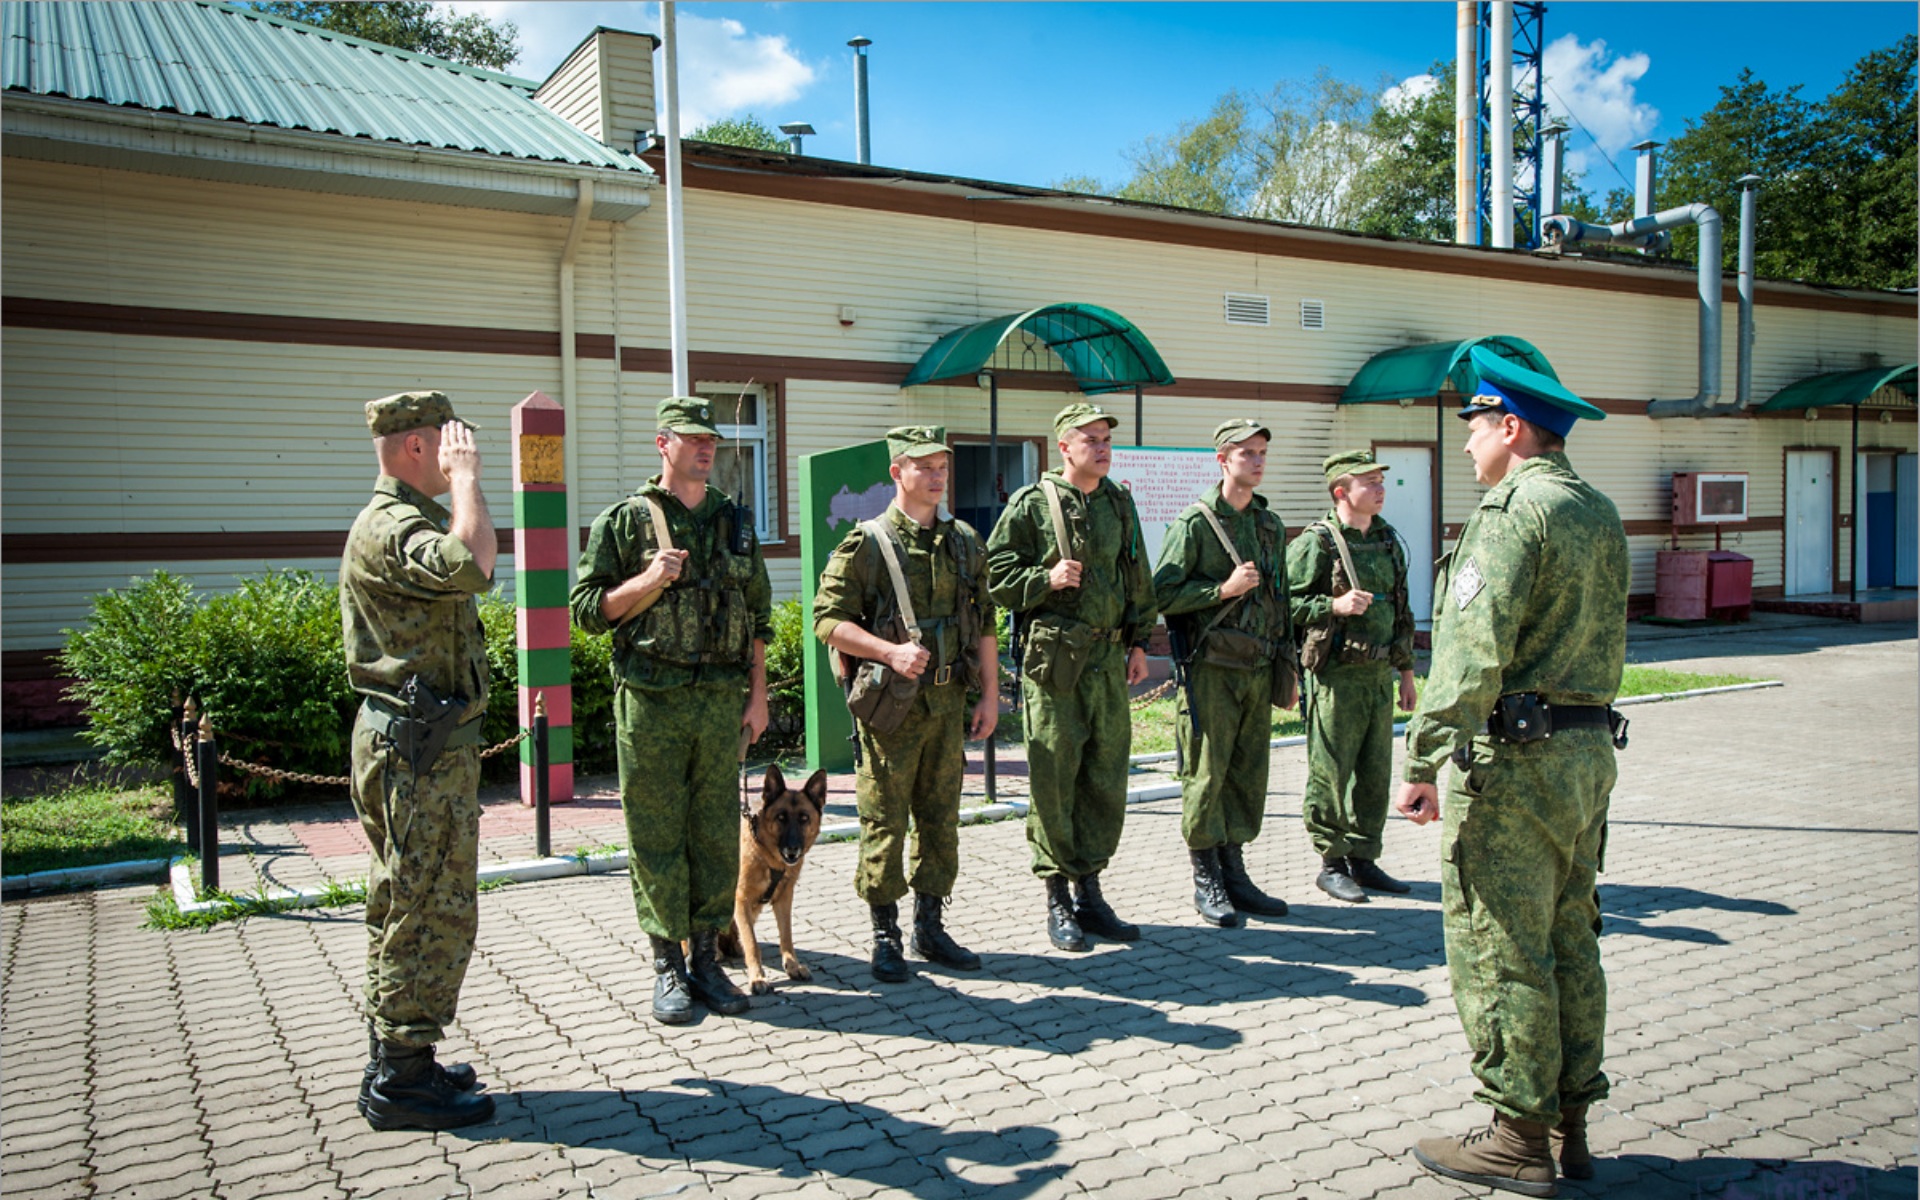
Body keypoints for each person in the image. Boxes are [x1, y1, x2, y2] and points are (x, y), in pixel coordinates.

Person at [1396, 347, 1627, 1196]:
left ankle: (1517, 1136)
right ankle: (1573, 1123)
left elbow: (1469, 653)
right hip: (1586, 756)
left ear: (1511, 426)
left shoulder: (1513, 511)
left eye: (1473, 428)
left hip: (1517, 763)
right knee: (1571, 938)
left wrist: (1422, 757)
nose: (1465, 447)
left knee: (1503, 945)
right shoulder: (1597, 511)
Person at [571, 397, 772, 1025]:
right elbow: (584, 613)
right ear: (664, 444)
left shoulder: (734, 522)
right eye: (692, 439)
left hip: (718, 703)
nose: (706, 449)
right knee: (657, 835)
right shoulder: (626, 523)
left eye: (710, 440)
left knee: (714, 833)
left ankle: (708, 961)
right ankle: (666, 962)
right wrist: (646, 581)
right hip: (652, 703)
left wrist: (758, 696)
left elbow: (760, 616)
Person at [340, 391, 497, 1131]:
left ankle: (401, 1056)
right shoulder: (392, 527)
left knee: (409, 901)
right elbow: (473, 562)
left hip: (420, 746)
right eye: (448, 441)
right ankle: (402, 1079)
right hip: (417, 755)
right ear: (415, 448)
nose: (459, 450)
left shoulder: (406, 523)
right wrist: (466, 478)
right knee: (426, 909)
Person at [814, 426, 1000, 982]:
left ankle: (930, 927)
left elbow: (985, 622)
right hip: (892, 711)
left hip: (947, 703)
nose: (938, 475)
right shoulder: (867, 543)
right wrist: (888, 652)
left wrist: (990, 694)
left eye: (943, 465)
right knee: (884, 821)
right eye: (924, 466)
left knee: (941, 819)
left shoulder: (965, 540)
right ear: (897, 472)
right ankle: (884, 933)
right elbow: (828, 621)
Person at [987, 402, 1158, 952]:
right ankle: (1057, 894)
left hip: (1109, 662)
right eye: (1091, 439)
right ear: (1064, 446)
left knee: (1105, 775)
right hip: (1056, 665)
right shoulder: (1033, 504)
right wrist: (1046, 578)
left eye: (1107, 438)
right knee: (1055, 776)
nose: (1103, 447)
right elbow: (994, 577)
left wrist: (1137, 641)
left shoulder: (1118, 502)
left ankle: (1091, 890)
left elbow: (1137, 574)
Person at [1153, 418, 1294, 928]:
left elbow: (1281, 598)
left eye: (1261, 453)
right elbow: (1161, 594)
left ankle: (1235, 871)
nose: (1256, 461)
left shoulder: (1269, 525)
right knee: (1207, 773)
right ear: (1222, 459)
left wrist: (1287, 664)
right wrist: (1221, 591)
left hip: (1256, 666)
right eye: (1246, 453)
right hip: (1211, 669)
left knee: (1248, 773)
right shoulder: (1195, 524)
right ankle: (1206, 875)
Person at [1285, 449, 1419, 903]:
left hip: (1380, 676)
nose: (1380, 489)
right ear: (1342, 491)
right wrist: (1332, 606)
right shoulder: (1316, 543)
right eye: (1370, 483)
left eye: (1381, 481)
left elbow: (1402, 610)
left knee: (1375, 771)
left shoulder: (1386, 540)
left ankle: (1364, 859)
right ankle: (1331, 863)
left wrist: (1406, 672)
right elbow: (1282, 607)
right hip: (1337, 678)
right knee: (1331, 772)